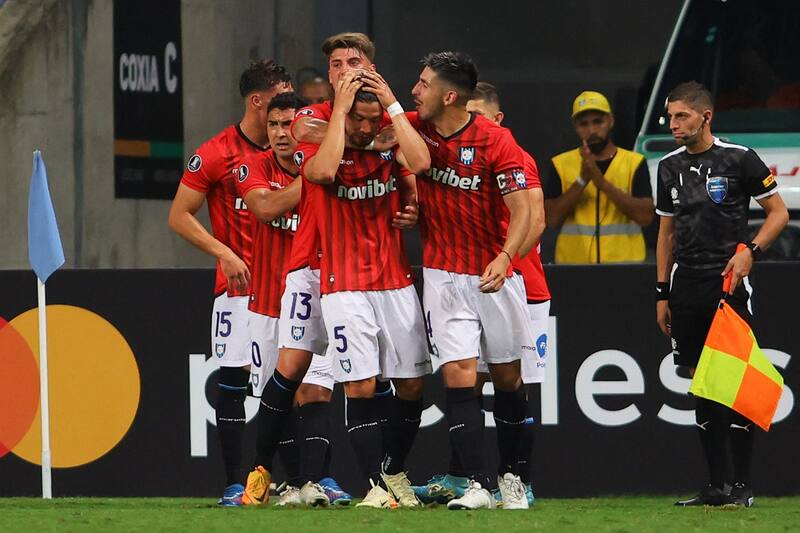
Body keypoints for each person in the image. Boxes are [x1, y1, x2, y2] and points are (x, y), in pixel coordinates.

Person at [298, 76, 432, 508]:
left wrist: (412, 206)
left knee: (412, 384)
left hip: (395, 281)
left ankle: (392, 471)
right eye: (359, 119)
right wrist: (340, 113)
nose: (367, 128)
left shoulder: (391, 144)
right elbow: (321, 173)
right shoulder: (320, 147)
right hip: (344, 285)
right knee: (360, 384)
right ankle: (376, 486)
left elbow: (420, 166)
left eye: (374, 120)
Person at [408, 52, 534, 511]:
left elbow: (523, 210)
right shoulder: (414, 127)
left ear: (449, 96)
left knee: (507, 376)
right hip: (442, 276)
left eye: (424, 84)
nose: (415, 91)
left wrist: (506, 256)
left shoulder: (496, 141)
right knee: (458, 375)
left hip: (492, 274)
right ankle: (478, 485)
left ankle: (514, 480)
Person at [655, 81, 788, 507]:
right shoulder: (668, 166)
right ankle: (716, 486)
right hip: (686, 285)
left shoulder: (739, 158)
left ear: (705, 116)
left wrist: (751, 251)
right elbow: (665, 233)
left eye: (682, 116)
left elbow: (778, 213)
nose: (674, 125)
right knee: (702, 381)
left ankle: (743, 486)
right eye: (670, 117)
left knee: (733, 380)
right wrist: (661, 292)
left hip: (728, 283)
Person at [167, 59, 291, 507]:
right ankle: (235, 483)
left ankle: (298, 481)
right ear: (258, 101)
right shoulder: (218, 152)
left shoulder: (296, 149)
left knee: (289, 383)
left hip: (288, 287)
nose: (289, 109)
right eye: (280, 97)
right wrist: (224, 252)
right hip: (238, 288)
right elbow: (179, 215)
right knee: (234, 380)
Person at [234, 92, 349, 507]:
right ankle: (288, 481)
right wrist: (315, 177)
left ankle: (318, 480)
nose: (281, 133)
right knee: (276, 397)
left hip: (314, 292)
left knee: (316, 390)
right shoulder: (253, 167)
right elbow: (265, 208)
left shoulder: (329, 162)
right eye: (273, 125)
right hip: (266, 302)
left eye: (287, 124)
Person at [543, 90, 654, 263]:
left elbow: (645, 217)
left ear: (610, 121)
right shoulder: (561, 164)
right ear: (575, 126)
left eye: (598, 122)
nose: (592, 130)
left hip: (625, 265)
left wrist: (602, 183)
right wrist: (582, 180)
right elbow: (552, 219)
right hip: (574, 266)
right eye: (584, 124)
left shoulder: (634, 162)